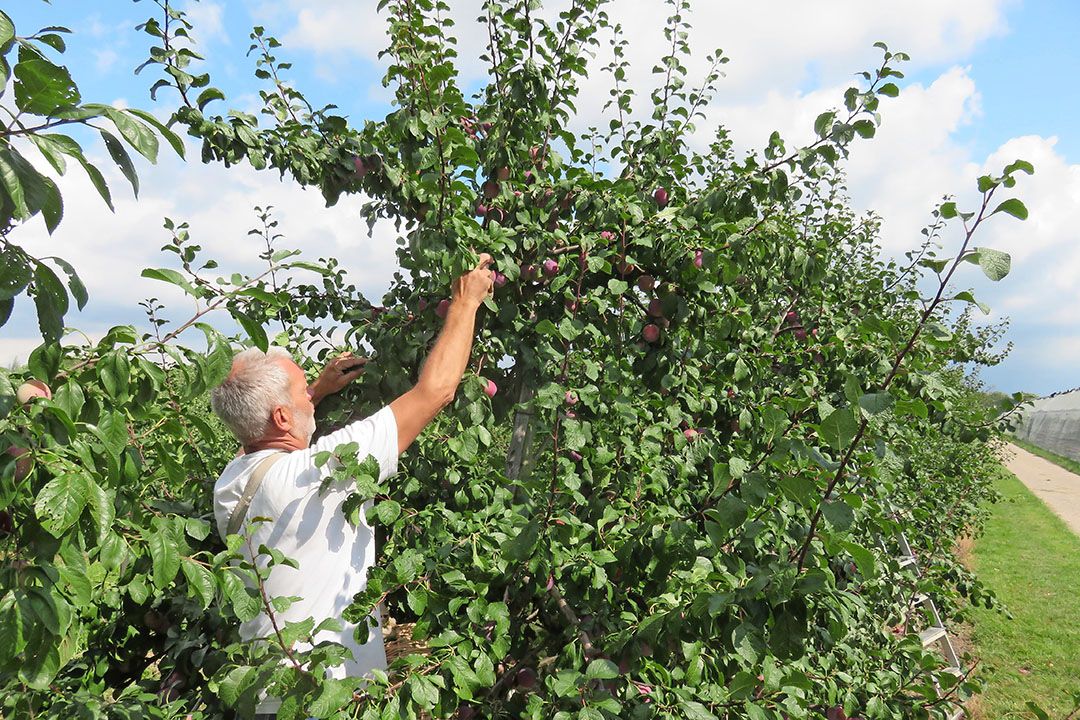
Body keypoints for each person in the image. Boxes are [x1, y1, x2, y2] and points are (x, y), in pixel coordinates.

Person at [209, 254, 495, 717]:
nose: (311, 392)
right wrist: (465, 302)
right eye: (303, 391)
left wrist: (315, 392)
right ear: (282, 416)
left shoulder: (231, 481)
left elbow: (264, 440)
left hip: (263, 690)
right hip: (324, 696)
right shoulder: (320, 471)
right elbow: (436, 391)